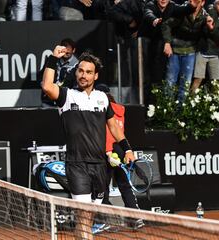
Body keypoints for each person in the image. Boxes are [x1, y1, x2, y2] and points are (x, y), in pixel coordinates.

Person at [41, 45, 135, 239]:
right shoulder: (67, 96)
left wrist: (127, 148)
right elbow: (47, 86)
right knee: (83, 215)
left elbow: (114, 127)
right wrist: (52, 59)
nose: (83, 75)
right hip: (77, 165)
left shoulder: (103, 98)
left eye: (88, 72)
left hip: (100, 166)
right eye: (81, 71)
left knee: (88, 217)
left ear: (95, 76)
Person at [93, 83, 143, 233]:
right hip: (120, 151)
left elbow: (109, 133)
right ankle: (135, 218)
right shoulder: (120, 110)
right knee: (125, 185)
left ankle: (103, 220)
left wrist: (108, 152)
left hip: (108, 152)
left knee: (101, 188)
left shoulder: (101, 108)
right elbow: (119, 133)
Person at [162, 0, 215, 104]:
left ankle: (181, 114)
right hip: (175, 50)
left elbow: (208, 36)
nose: (193, 3)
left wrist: (209, 28)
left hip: (190, 51)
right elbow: (166, 25)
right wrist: (167, 43)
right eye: (191, 0)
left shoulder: (205, 16)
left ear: (203, 2)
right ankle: (167, 114)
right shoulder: (182, 11)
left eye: (196, 1)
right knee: (170, 82)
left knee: (185, 84)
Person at [190, 0, 219, 92]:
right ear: (214, 5)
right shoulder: (211, 11)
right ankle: (189, 103)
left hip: (214, 53)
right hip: (202, 52)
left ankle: (217, 104)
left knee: (216, 81)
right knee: (198, 79)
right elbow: (213, 27)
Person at [41, 38, 78, 107]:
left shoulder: (77, 65)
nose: (65, 54)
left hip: (66, 101)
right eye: (64, 51)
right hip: (49, 101)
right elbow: (43, 77)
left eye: (68, 52)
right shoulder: (52, 60)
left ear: (73, 50)